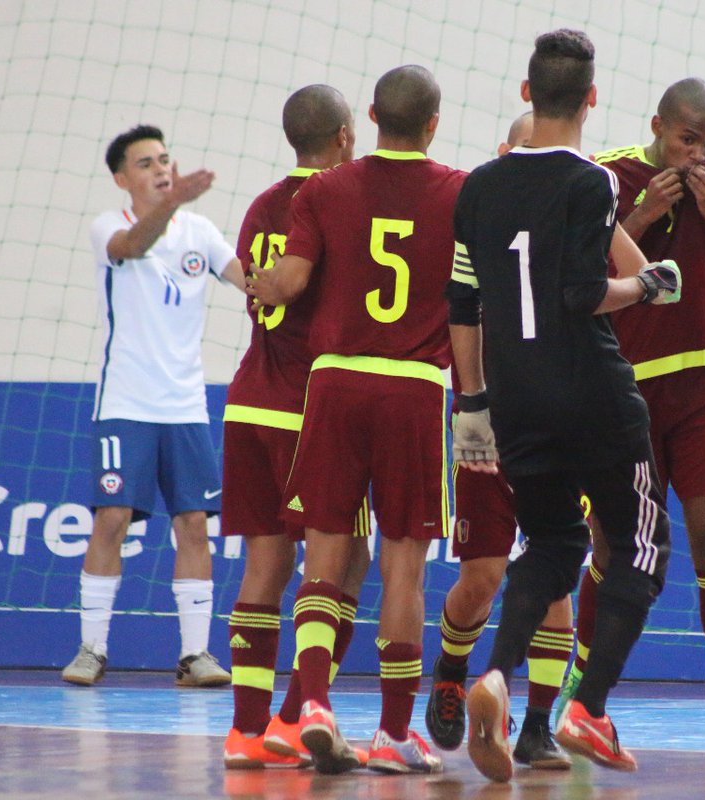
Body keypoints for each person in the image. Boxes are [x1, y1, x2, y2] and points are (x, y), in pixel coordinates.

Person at [446, 29, 680, 782]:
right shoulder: (592, 181)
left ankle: (493, 676)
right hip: (592, 392)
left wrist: (473, 405)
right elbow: (585, 295)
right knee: (639, 548)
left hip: (514, 400)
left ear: (524, 93)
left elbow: (462, 301)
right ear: (590, 99)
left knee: (550, 546)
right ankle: (589, 707)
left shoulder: (477, 186)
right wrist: (645, 287)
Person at [246, 65, 464, 776]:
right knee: (404, 566)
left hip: (335, 384)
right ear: (432, 125)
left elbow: (292, 282)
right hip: (414, 390)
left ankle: (310, 705)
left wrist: (260, 282)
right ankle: (395, 735)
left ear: (368, 117)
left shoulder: (326, 188)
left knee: (323, 558)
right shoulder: (460, 191)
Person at [567, 77, 705, 761]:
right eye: (689, 139)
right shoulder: (608, 174)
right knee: (610, 543)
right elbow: (576, 277)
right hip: (622, 387)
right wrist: (636, 218)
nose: (699, 154)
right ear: (659, 125)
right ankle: (583, 691)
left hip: (699, 379)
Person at [219, 84, 373, 771]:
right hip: (315, 409)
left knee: (264, 565)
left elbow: (262, 285)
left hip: (248, 399)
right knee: (346, 561)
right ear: (344, 135)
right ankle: (298, 713)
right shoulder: (344, 201)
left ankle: (245, 733)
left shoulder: (260, 205)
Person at [62, 125, 246, 688]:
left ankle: (195, 656)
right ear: (122, 178)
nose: (160, 168)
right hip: (125, 401)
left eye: (165, 159)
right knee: (111, 519)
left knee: (193, 524)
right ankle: (92, 648)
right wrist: (172, 204)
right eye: (145, 163)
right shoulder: (109, 228)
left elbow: (246, 280)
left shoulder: (201, 231)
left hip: (186, 406)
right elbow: (133, 247)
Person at [423, 111, 573, 772]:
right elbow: (462, 312)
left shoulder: (577, 212)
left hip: (559, 417)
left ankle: (536, 724)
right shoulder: (479, 218)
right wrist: (473, 404)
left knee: (555, 572)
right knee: (482, 577)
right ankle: (453, 669)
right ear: (505, 153)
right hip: (488, 415)